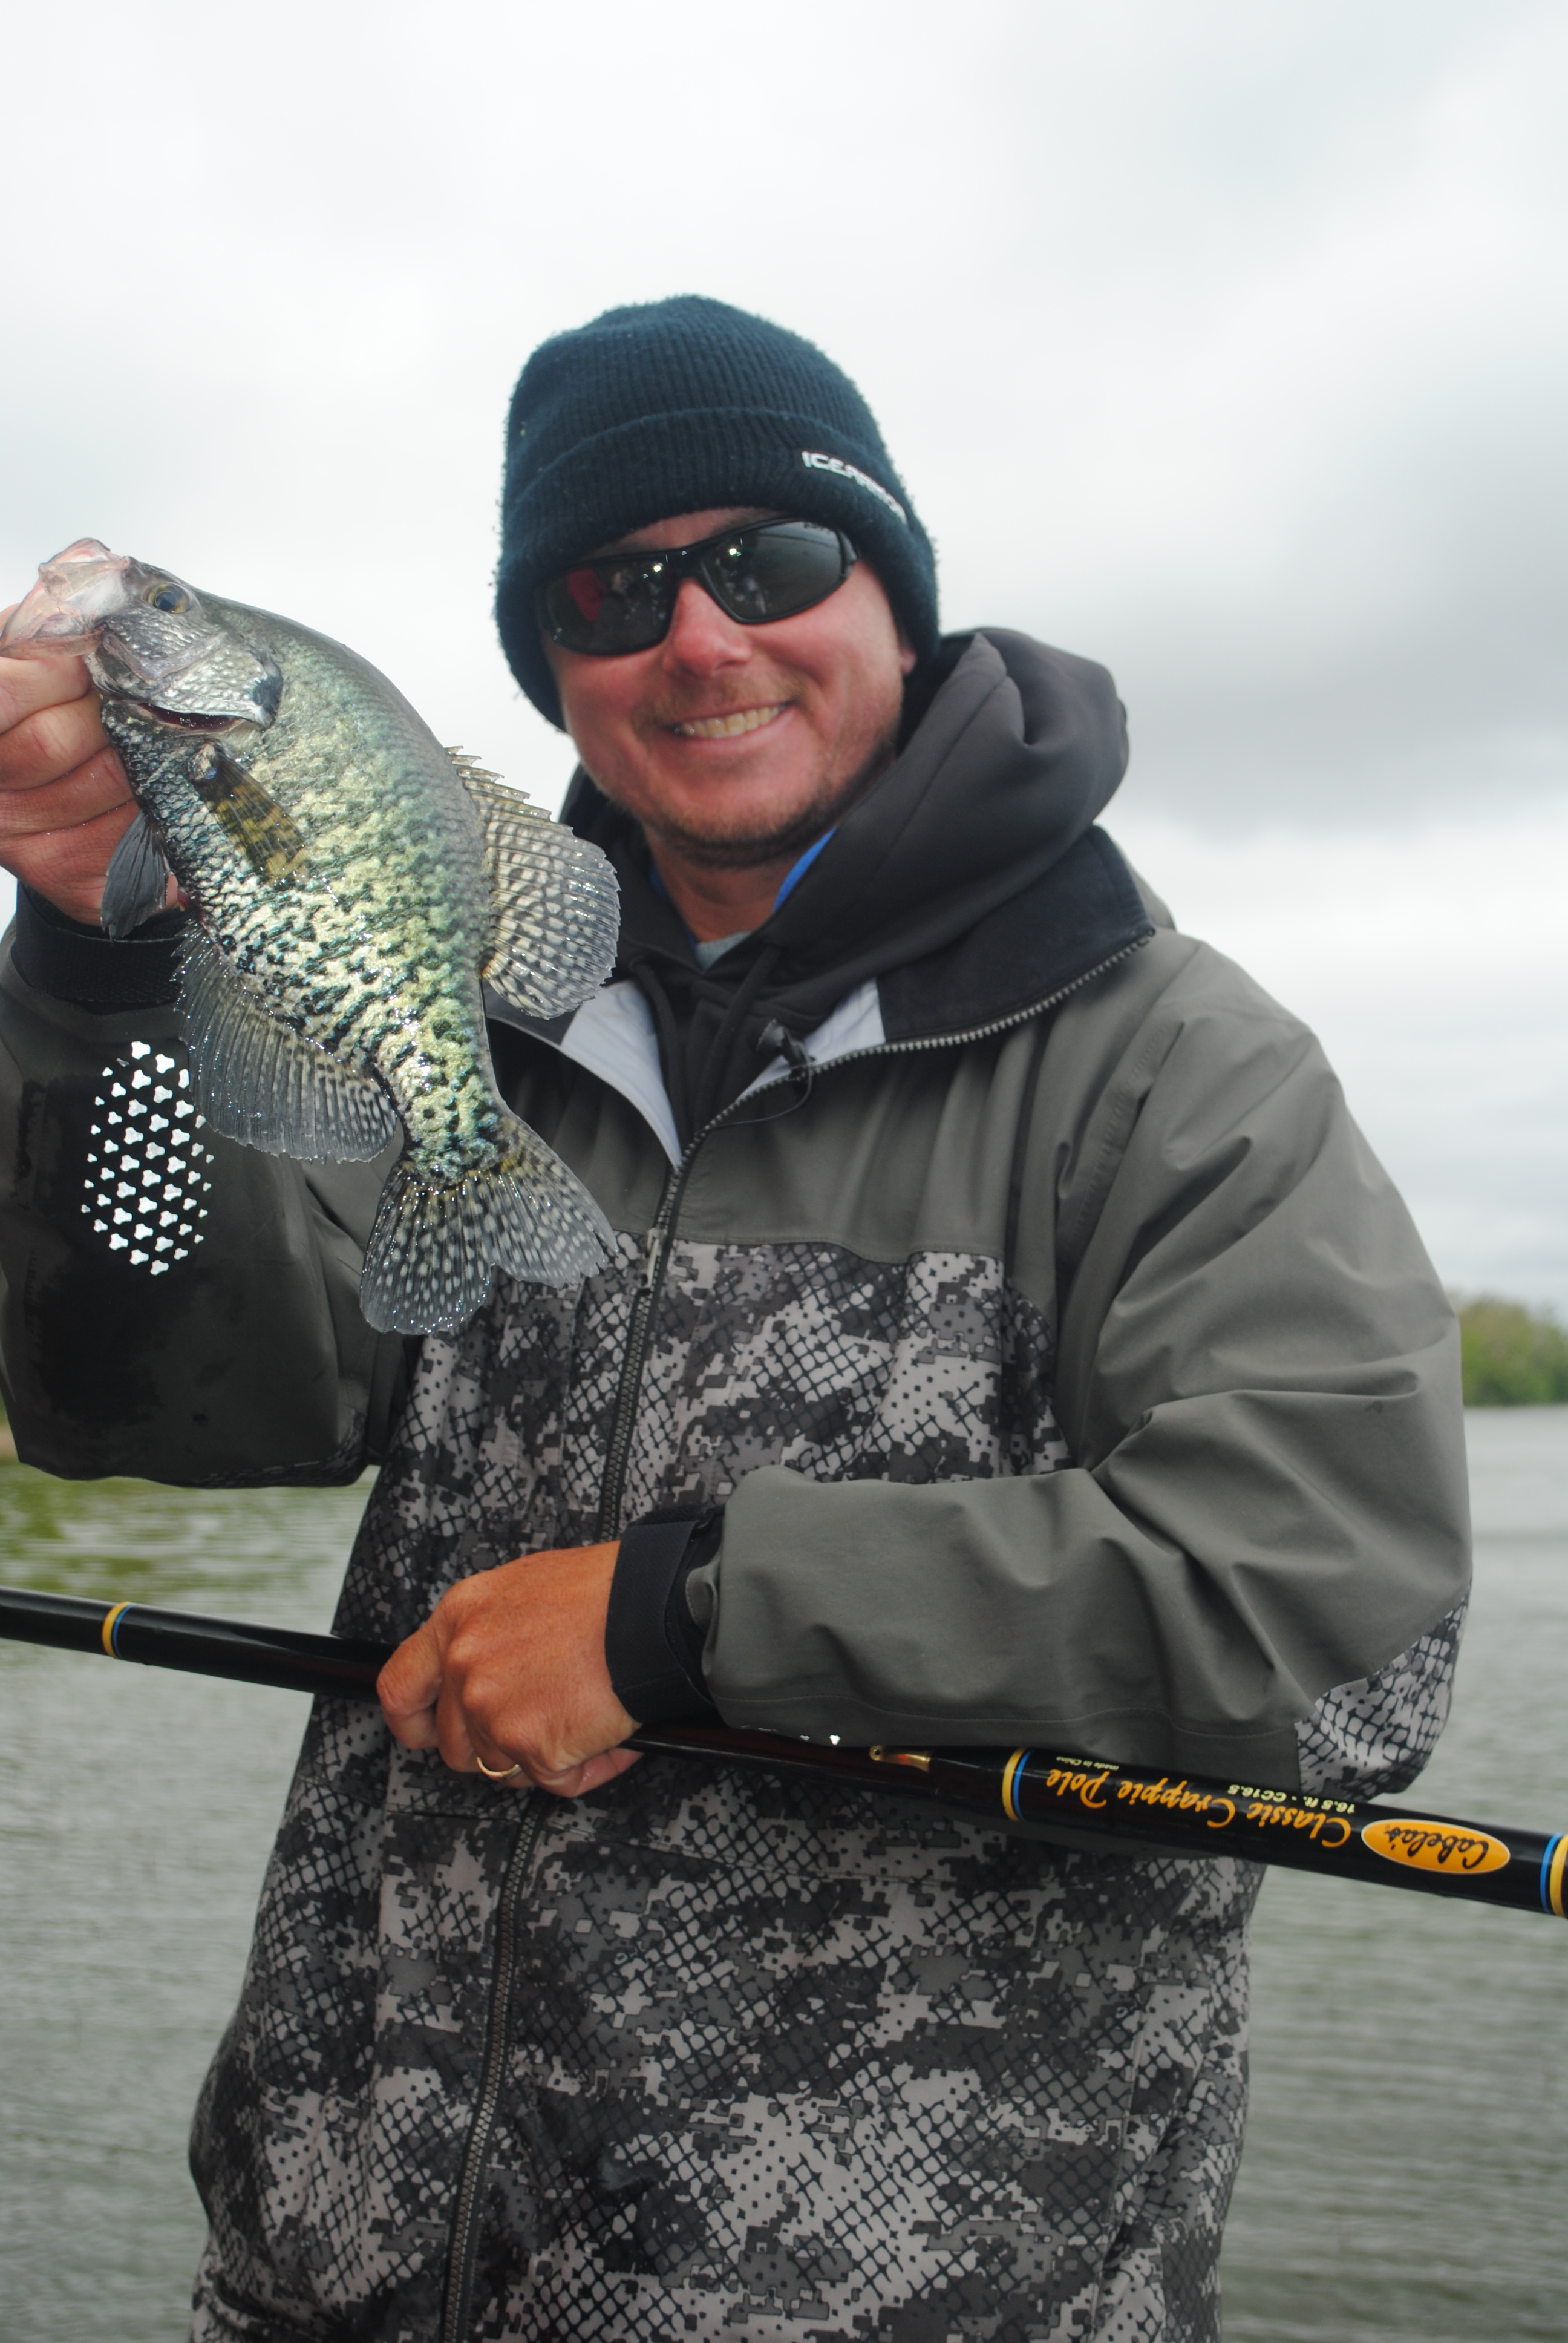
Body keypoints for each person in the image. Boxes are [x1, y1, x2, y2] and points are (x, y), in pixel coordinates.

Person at [0, 296, 1470, 2343]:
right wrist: (106, 963)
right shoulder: (472, 1011)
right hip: (339, 2279)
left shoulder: (1171, 1064)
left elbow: (1344, 1636)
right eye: (616, 589)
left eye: (769, 562)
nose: (700, 639)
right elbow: (159, 1402)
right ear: (553, 666)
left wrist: (687, 1622)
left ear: (894, 592)